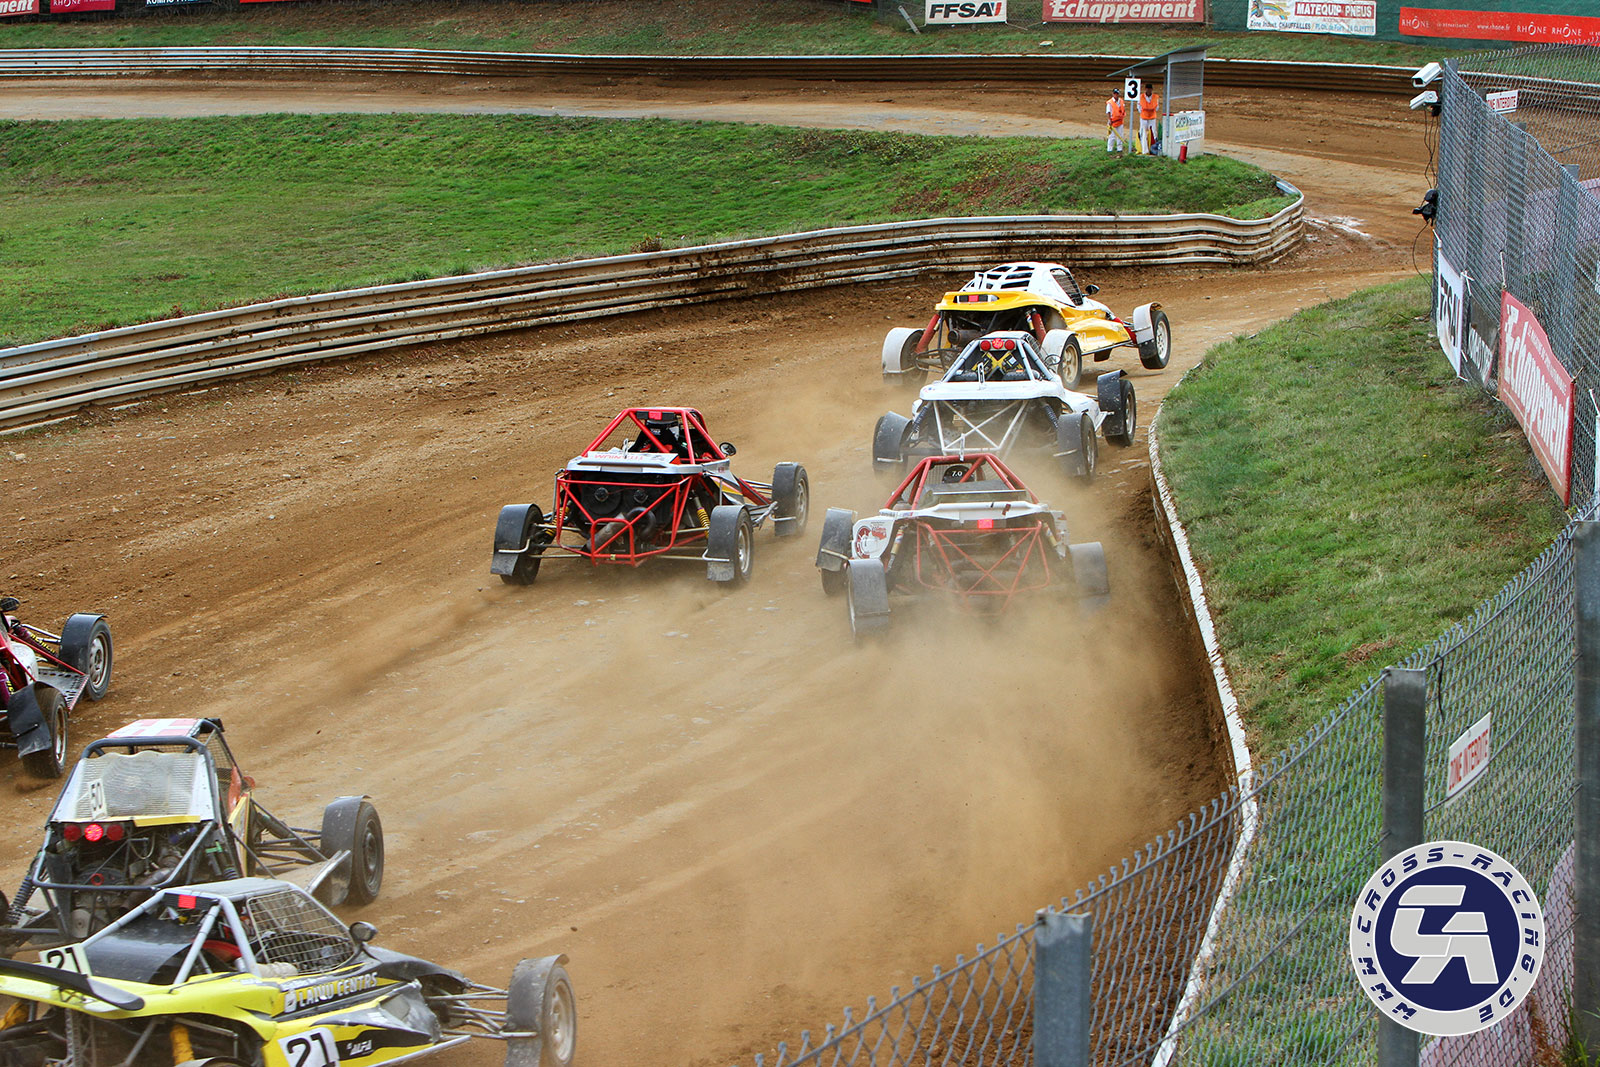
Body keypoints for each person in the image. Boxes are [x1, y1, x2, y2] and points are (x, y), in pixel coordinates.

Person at [1139, 84, 1162, 155]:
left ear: (1152, 89)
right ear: (1145, 89)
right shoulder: (1141, 97)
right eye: (1147, 88)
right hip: (1144, 117)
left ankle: (1153, 148)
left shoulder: (1155, 97)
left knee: (1153, 133)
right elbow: (1139, 107)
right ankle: (1144, 149)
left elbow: (1157, 107)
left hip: (1152, 118)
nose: (1148, 90)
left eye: (1150, 89)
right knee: (1143, 133)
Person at [1105, 88, 1126, 153]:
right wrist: (1110, 120)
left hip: (1120, 121)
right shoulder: (1110, 102)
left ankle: (1119, 148)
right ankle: (1109, 149)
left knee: (1120, 135)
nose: (1116, 95)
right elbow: (1108, 112)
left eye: (1117, 93)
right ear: (1113, 94)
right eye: (1115, 93)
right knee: (1112, 136)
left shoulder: (1121, 101)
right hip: (1113, 121)